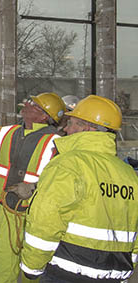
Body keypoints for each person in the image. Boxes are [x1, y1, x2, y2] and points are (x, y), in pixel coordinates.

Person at [21, 95, 138, 282]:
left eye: (72, 123)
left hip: (67, 272)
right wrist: (125, 267)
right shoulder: (129, 174)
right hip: (115, 274)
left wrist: (31, 266)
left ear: (87, 127)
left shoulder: (67, 165)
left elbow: (45, 221)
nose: (66, 129)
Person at [0, 92, 65, 283]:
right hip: (7, 210)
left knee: (34, 265)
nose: (27, 104)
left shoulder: (58, 142)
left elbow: (65, 178)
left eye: (34, 104)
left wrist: (34, 186)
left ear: (43, 116)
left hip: (39, 214)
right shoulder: (6, 133)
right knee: (3, 261)